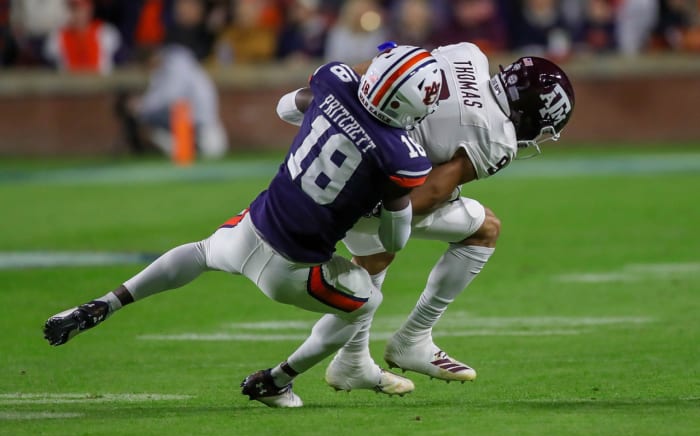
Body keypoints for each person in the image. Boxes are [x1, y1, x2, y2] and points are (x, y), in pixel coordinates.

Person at [43, 44, 442, 408]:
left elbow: (286, 108)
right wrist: (384, 204)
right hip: (295, 269)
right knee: (367, 302)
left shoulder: (335, 81)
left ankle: (106, 303)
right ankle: (276, 380)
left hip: (251, 228)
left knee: (200, 252)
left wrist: (327, 123)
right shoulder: (401, 156)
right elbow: (396, 239)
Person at [277, 41, 575, 389]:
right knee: (483, 230)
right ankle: (412, 339)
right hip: (362, 178)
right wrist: (370, 207)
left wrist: (326, 102)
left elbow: (383, 67)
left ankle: (352, 362)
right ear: (528, 116)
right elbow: (431, 194)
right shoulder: (496, 136)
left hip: (325, 149)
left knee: (374, 256)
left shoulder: (468, 54)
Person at [115, 44, 228, 159]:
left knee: (145, 115)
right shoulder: (168, 67)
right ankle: (184, 147)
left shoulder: (176, 65)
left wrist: (140, 105)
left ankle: (186, 146)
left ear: (152, 59)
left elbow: (169, 95)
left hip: (199, 118)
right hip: (192, 117)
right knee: (146, 115)